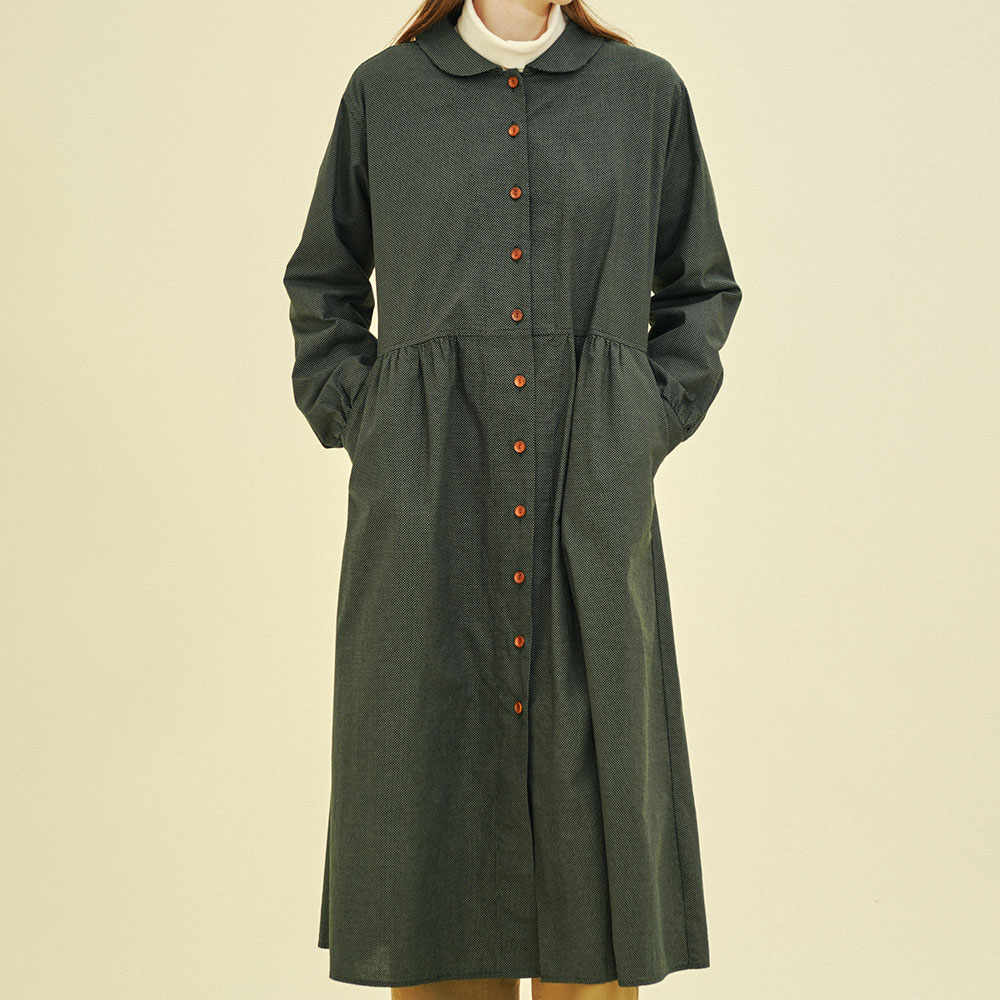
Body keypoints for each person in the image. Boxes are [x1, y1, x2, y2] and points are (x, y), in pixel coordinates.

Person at [282, 1, 743, 998]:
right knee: (426, 818)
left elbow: (699, 286)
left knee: (595, 820)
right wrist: (367, 419)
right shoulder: (385, 94)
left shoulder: (643, 94)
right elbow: (323, 285)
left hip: (591, 494)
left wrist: (643, 419)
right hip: (424, 507)